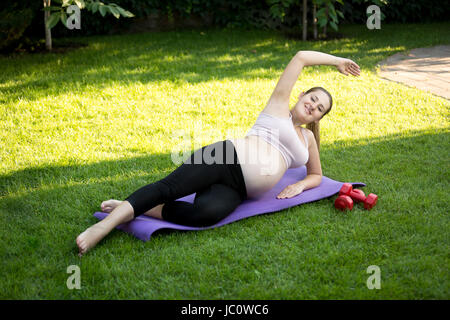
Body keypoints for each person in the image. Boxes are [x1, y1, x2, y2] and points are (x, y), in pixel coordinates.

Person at [76, 50, 360, 256]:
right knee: (169, 187)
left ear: (319, 118)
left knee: (205, 215)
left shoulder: (308, 138)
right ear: (301, 95)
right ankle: (105, 227)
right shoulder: (278, 105)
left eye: (320, 108)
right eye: (313, 98)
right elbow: (300, 57)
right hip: (224, 158)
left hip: (239, 189)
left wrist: (299, 184)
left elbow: (316, 175)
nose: (314, 106)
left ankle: (137, 207)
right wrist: (337, 61)